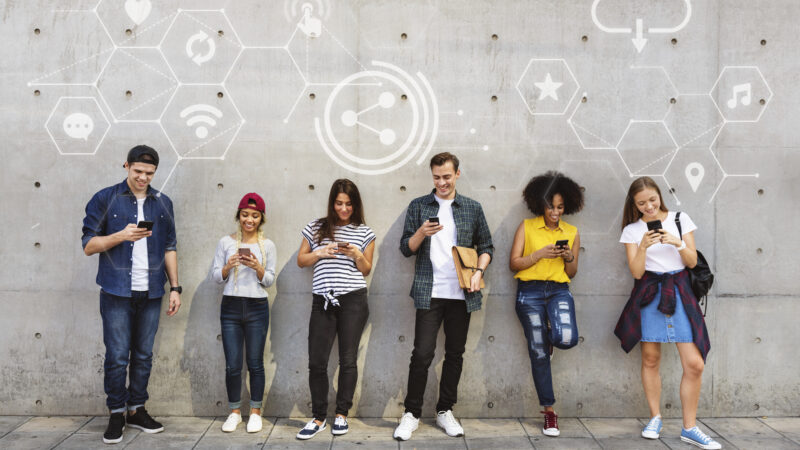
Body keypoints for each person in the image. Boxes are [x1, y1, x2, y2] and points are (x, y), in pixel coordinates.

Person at [81, 145, 181, 444]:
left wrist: (175, 287)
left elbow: (170, 246)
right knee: (116, 356)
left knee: (143, 355)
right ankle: (115, 412)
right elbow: (88, 245)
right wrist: (120, 235)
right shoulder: (105, 198)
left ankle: (136, 410)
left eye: (149, 174)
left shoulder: (163, 203)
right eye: (137, 171)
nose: (143, 178)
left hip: (151, 291)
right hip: (116, 292)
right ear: (126, 166)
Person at [393, 152, 494, 441]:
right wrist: (421, 233)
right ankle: (411, 413)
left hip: (462, 293)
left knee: (454, 354)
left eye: (447, 176)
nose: (442, 182)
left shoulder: (472, 208)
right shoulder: (419, 206)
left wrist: (478, 272)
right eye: (436, 177)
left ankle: (444, 410)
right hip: (430, 291)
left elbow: (487, 246)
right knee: (422, 354)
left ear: (457, 175)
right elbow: (405, 249)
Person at [615, 177, 721, 449]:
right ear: (634, 205)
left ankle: (690, 427)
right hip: (650, 291)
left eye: (652, 200)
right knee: (651, 358)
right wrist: (642, 246)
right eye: (641, 203)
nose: (649, 207)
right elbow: (637, 272)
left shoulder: (679, 218)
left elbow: (692, 262)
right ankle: (655, 417)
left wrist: (676, 242)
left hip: (680, 290)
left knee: (695, 364)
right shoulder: (632, 230)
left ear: (660, 196)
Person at [295, 179, 376, 439]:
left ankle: (341, 414)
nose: (343, 209)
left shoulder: (365, 232)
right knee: (317, 362)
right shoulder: (316, 227)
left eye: (349, 204)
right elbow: (301, 261)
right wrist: (321, 252)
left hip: (353, 299)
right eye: (339, 203)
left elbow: (366, 269)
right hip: (323, 299)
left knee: (348, 360)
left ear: (355, 205)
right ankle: (318, 417)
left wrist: (356, 255)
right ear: (332, 203)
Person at [508, 171, 583, 437]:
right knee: (538, 353)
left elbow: (572, 272)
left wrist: (568, 255)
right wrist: (539, 255)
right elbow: (513, 263)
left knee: (567, 338)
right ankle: (549, 412)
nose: (555, 211)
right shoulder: (526, 227)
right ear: (541, 204)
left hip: (559, 291)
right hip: (529, 292)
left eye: (560, 207)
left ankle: (551, 339)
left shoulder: (572, 232)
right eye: (551, 206)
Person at [211, 193, 277, 433]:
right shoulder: (225, 242)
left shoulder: (267, 245)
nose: (249, 219)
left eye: (255, 216)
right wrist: (229, 266)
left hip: (257, 307)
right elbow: (216, 277)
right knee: (232, 364)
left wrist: (258, 268)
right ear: (238, 216)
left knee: (255, 363)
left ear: (261, 218)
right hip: (230, 306)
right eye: (245, 215)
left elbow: (269, 280)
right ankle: (235, 412)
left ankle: (256, 412)